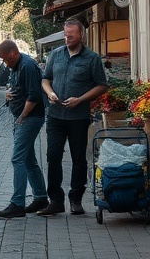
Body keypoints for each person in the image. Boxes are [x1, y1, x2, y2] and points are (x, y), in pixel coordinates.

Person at [38, 18, 108, 216]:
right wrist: (49, 92)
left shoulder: (91, 58)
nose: (67, 38)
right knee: (53, 156)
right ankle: (56, 200)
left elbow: (102, 85)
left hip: (78, 117)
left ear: (81, 36)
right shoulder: (55, 54)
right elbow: (45, 79)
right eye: (65, 35)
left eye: (71, 35)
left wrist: (81, 99)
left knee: (78, 159)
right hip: (55, 116)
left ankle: (76, 199)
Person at [0, 39, 48, 218]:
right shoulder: (17, 66)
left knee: (17, 158)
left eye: (4, 58)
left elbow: (34, 95)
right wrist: (9, 93)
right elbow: (20, 89)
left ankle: (17, 202)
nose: (3, 62)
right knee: (28, 159)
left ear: (12, 53)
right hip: (24, 118)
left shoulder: (27, 66)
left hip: (30, 118)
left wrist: (22, 116)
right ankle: (40, 197)